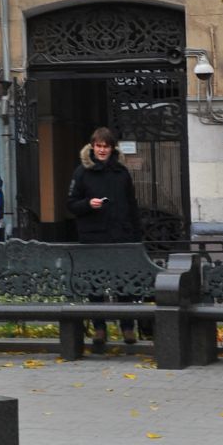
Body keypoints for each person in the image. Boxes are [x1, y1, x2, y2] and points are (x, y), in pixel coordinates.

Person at [66, 127, 143, 351]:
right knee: (95, 283)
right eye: (98, 146)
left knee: (124, 282)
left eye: (106, 146)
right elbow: (71, 204)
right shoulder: (82, 172)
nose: (102, 150)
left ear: (112, 148)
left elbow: (131, 204)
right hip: (94, 237)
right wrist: (88, 205)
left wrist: (136, 235)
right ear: (92, 147)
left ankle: (127, 326)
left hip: (122, 236)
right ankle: (99, 328)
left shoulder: (121, 173)